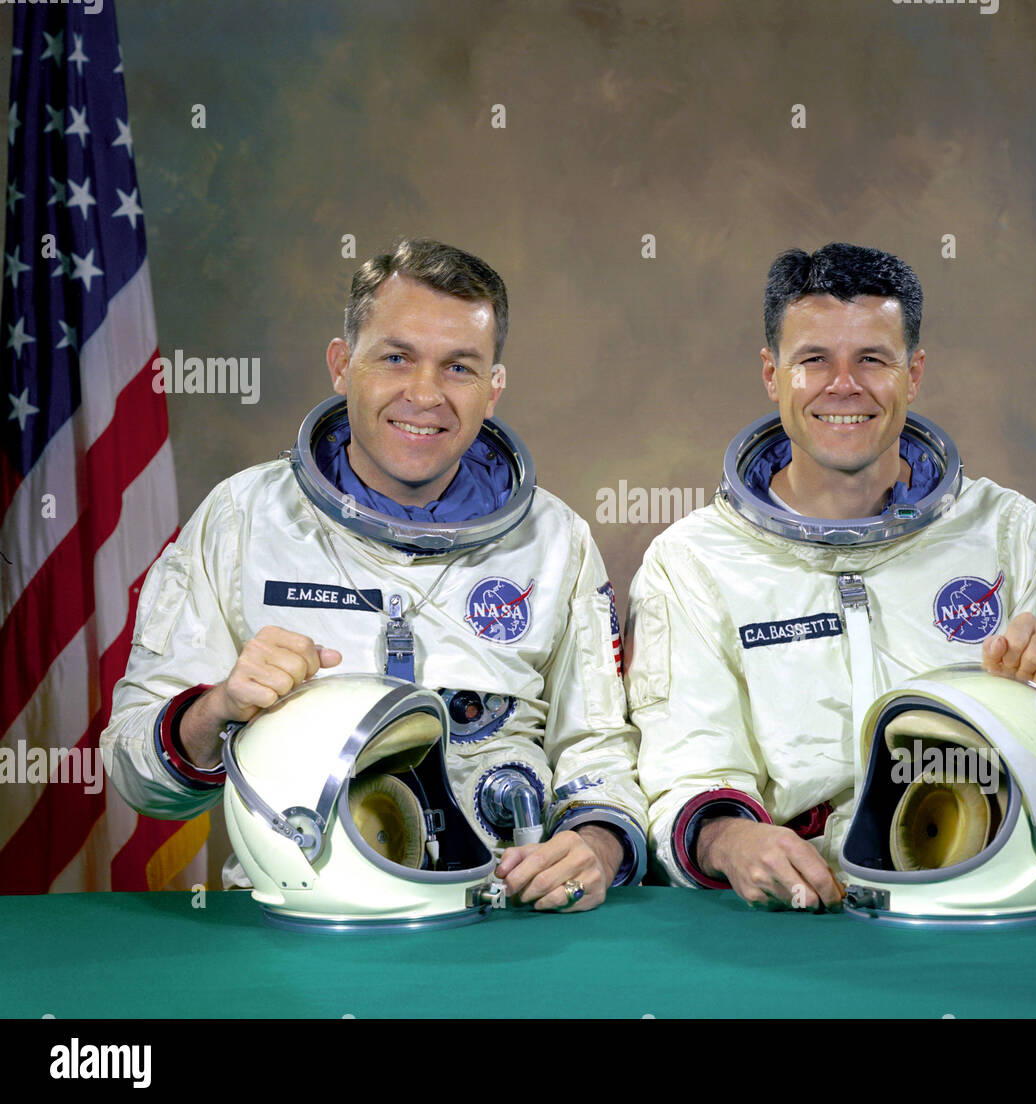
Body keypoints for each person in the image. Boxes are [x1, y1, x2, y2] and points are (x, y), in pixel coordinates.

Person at [103, 238, 647, 911]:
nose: (425, 394)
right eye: (396, 357)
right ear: (342, 364)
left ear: (493, 389)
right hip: (303, 920)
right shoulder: (241, 520)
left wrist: (596, 843)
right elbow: (135, 773)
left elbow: (600, 753)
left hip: (502, 921)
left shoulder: (555, 542)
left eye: (459, 368)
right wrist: (214, 710)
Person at [625, 243, 1036, 910]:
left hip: (987, 909)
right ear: (771, 373)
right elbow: (684, 778)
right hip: (795, 927)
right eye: (813, 359)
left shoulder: (1009, 533)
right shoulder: (694, 562)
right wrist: (727, 839)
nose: (843, 385)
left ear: (915, 372)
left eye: (872, 359)